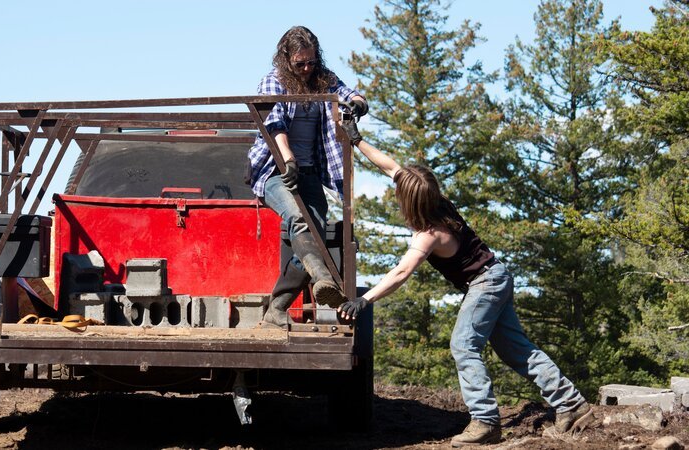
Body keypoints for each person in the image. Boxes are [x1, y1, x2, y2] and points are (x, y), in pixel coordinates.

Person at [337, 120, 595, 447]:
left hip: (486, 283)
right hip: (497, 275)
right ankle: (572, 405)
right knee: (516, 349)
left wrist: (364, 300)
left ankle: (486, 421)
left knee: (463, 345)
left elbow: (400, 273)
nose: (395, 189)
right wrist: (357, 140)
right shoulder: (437, 201)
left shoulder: (429, 235)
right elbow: (389, 165)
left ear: (410, 201)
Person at [248, 26, 368, 329]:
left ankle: (276, 309)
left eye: (310, 62)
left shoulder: (322, 80)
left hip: (311, 173)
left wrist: (358, 103)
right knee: (298, 220)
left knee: (312, 239)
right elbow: (274, 124)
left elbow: (350, 94)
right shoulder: (272, 81)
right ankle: (323, 278)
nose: (305, 69)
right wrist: (288, 159)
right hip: (276, 171)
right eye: (299, 63)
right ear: (286, 59)